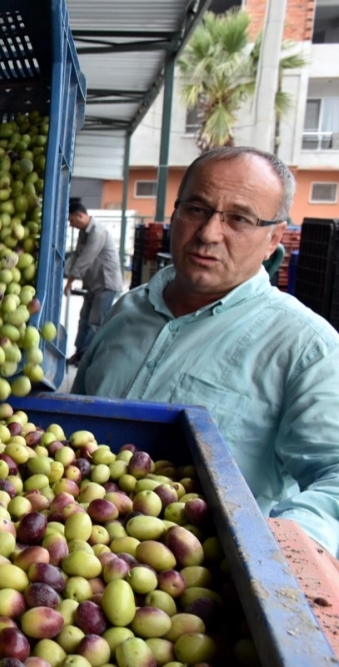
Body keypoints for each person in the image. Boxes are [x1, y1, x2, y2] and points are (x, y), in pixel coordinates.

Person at [72, 146, 339, 555]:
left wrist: (278, 546)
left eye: (239, 218)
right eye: (196, 209)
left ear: (273, 238)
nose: (209, 233)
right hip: (68, 544)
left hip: (192, 586)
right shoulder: (128, 309)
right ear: (175, 213)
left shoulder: (306, 347)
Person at [64, 201, 123, 364]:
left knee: (95, 323)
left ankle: (88, 359)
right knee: (84, 320)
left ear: (80, 216)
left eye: (71, 220)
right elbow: (76, 255)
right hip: (93, 284)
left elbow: (85, 259)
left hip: (106, 284)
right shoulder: (84, 232)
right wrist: (67, 271)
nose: (71, 224)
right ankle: (79, 353)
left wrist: (69, 281)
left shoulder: (98, 232)